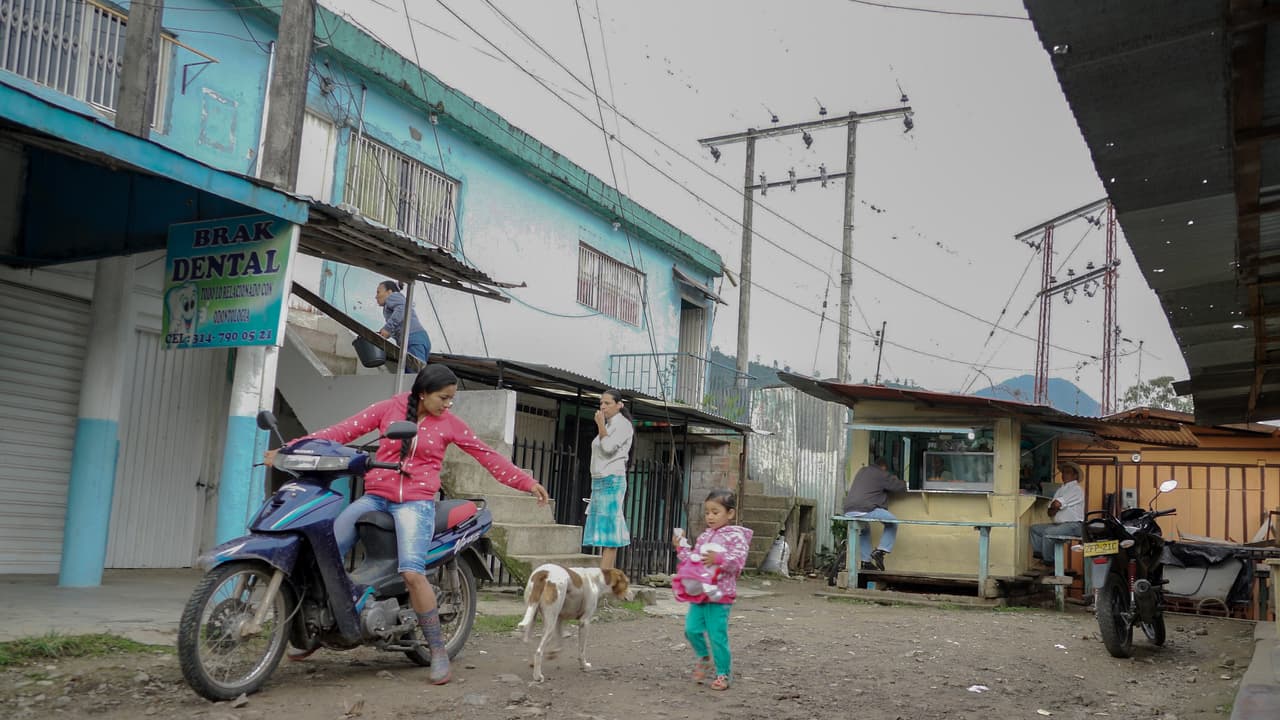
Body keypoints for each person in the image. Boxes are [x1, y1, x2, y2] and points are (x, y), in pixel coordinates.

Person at [265, 364, 550, 684]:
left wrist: (526, 482)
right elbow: (342, 431)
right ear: (423, 393)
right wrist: (291, 450)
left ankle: (438, 650)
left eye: (451, 399)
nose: (447, 404)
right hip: (375, 498)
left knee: (412, 572)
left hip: (416, 503)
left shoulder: (450, 424)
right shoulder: (391, 408)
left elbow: (488, 457)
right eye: (444, 398)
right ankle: (318, 632)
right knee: (319, 551)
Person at [671, 489, 752, 691]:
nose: (710, 516)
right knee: (691, 630)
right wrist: (681, 548)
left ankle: (723, 674)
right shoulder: (705, 536)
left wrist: (720, 559)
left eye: (715, 512)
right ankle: (703, 657)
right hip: (700, 594)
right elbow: (695, 561)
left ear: (730, 513)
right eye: (707, 512)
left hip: (721, 595)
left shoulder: (736, 537)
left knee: (718, 636)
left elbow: (738, 562)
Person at [583, 389, 634, 571]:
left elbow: (608, 447)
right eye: (601, 403)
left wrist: (600, 425)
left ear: (619, 405)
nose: (603, 407)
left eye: (607, 403)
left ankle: (605, 576)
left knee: (610, 529)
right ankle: (607, 574)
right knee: (602, 527)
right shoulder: (610, 424)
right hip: (599, 480)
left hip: (612, 480)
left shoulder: (623, 425)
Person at [841, 456, 907, 571]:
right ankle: (881, 551)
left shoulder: (862, 471)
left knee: (864, 530)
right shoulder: (881, 474)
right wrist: (903, 481)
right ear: (884, 467)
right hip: (864, 509)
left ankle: (866, 562)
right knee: (892, 521)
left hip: (849, 510)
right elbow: (899, 487)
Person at [1028, 460, 1085, 567]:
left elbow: (1057, 504)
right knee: (1034, 529)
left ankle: (1049, 561)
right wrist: (1056, 506)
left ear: (1075, 475)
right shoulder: (1061, 489)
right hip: (1060, 524)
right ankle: (1041, 554)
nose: (1064, 475)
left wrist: (1056, 506)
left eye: (1067, 472)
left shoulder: (1076, 489)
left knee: (1049, 532)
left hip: (1073, 525)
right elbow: (1050, 511)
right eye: (1063, 472)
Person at [376, 279, 431, 370]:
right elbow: (401, 319)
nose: (376, 296)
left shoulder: (393, 296)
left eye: (378, 292)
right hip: (418, 338)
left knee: (412, 376)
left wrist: (387, 328)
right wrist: (387, 333)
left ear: (389, 292)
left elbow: (403, 309)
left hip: (412, 338)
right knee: (415, 374)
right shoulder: (395, 301)